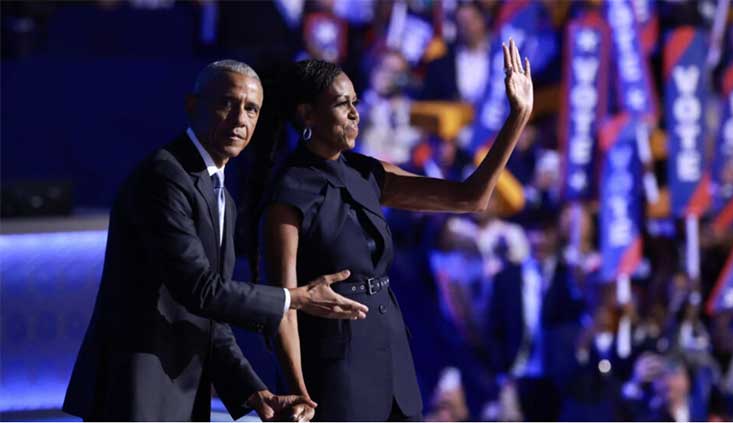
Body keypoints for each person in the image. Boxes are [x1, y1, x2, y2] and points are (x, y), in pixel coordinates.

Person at [62, 60, 369, 422]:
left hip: (179, 392)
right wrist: (295, 298)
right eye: (228, 103)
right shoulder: (165, 177)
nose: (241, 118)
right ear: (193, 105)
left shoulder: (221, 193)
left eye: (251, 109)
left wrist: (257, 394)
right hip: (136, 391)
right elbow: (199, 289)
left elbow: (210, 318)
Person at [259, 39, 533, 421]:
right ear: (308, 115)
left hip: (390, 355)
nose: (356, 114)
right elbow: (283, 306)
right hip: (333, 369)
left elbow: (471, 198)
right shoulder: (289, 192)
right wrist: (298, 392)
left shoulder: (368, 172)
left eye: (356, 102)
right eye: (343, 104)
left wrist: (517, 117)